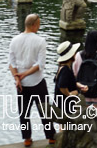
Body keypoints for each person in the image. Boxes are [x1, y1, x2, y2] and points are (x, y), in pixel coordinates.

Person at [8, 14, 55, 147]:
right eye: (39, 24)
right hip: (37, 81)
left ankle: (27, 138)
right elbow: (40, 65)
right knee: (45, 110)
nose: (39, 26)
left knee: (24, 112)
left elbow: (11, 64)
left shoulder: (14, 40)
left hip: (21, 84)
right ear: (34, 25)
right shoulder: (40, 41)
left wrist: (17, 77)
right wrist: (23, 75)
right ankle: (51, 136)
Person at [54, 41, 86, 125]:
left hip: (60, 103)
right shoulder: (65, 70)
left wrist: (78, 85)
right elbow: (62, 86)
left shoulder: (62, 67)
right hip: (65, 105)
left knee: (64, 125)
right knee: (66, 126)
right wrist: (70, 94)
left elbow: (64, 82)